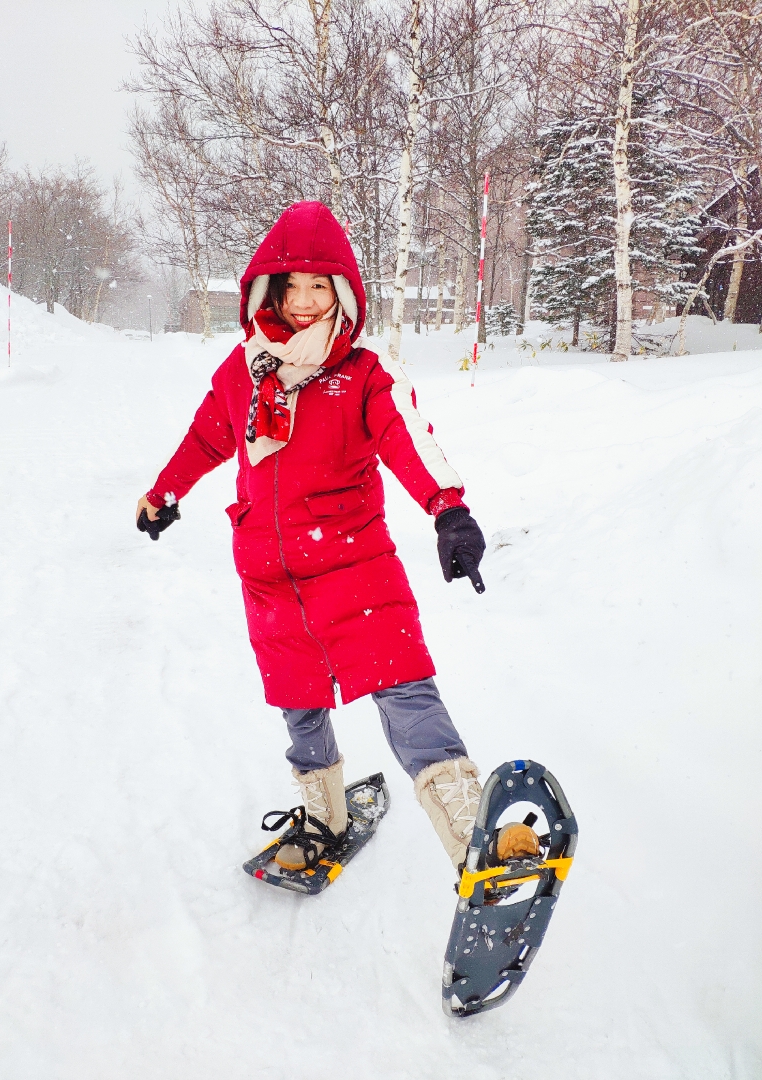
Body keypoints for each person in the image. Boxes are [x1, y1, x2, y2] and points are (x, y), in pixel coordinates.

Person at [137, 201, 538, 873]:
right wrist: (163, 491)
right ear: (266, 290)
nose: (301, 300)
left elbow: (407, 439)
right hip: (269, 576)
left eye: (318, 286)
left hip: (355, 564)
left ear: (343, 292)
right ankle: (324, 815)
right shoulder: (244, 373)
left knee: (406, 691)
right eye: (288, 285)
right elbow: (208, 437)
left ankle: (476, 838)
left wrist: (448, 511)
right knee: (299, 705)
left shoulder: (362, 375)